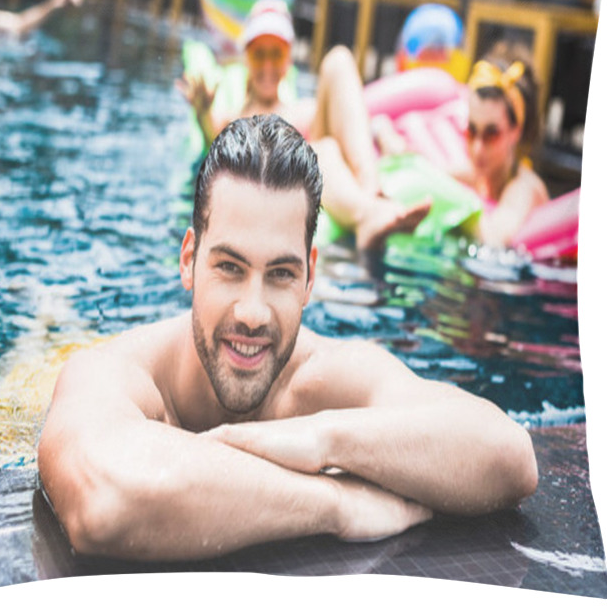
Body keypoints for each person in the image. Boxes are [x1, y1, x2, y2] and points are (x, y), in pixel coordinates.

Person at [37, 115, 538, 562]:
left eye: (280, 274)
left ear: (310, 279)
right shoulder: (115, 371)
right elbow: (105, 501)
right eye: (230, 267)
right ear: (188, 260)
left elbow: (509, 456)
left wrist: (322, 439)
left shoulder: (323, 378)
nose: (253, 314)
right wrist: (335, 504)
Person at [176, 0, 430, 250]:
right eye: (259, 54)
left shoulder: (303, 110)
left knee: (339, 59)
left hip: (327, 165)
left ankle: (372, 192)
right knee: (323, 149)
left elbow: (355, 119)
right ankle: (367, 214)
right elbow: (213, 137)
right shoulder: (237, 120)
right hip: (293, 176)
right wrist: (202, 112)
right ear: (246, 58)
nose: (267, 66)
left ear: (288, 58)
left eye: (276, 54)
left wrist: (383, 132)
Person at [454, 56, 549, 247]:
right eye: (472, 131)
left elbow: (493, 239)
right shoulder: (481, 176)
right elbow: (425, 167)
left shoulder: (524, 189)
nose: (478, 148)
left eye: (491, 135)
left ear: (516, 131)